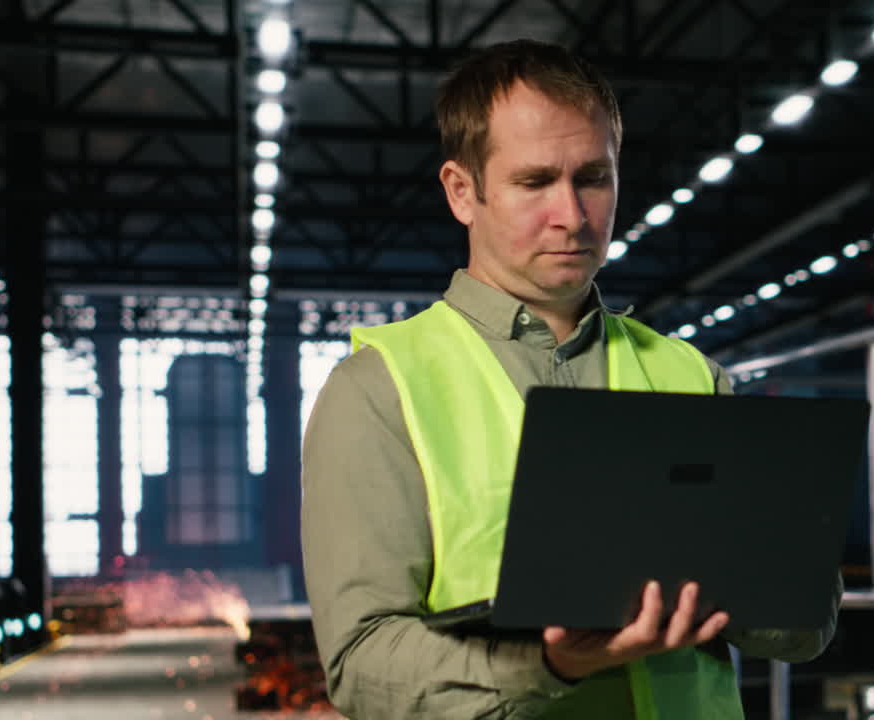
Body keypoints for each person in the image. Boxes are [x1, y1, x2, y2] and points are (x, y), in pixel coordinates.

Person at [301, 39, 843, 719]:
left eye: (593, 177)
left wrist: (737, 591)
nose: (573, 215)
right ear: (462, 191)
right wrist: (551, 664)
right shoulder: (381, 389)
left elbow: (808, 626)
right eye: (534, 183)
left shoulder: (689, 374)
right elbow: (361, 664)